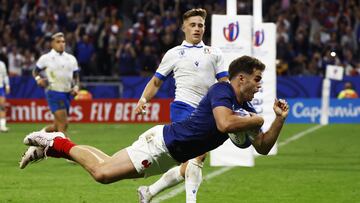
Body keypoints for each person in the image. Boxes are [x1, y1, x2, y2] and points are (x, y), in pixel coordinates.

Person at [19, 56, 289, 202]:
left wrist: (278, 119)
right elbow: (224, 123)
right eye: (256, 79)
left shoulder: (247, 110)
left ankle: (54, 147)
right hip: (162, 144)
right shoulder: (222, 91)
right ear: (240, 78)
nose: (259, 85)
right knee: (102, 174)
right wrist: (257, 121)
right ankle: (56, 142)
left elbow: (263, 147)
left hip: (168, 154)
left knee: (106, 164)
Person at [134, 8, 229, 203]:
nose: (197, 29)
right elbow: (156, 81)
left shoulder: (215, 53)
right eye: (192, 25)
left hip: (207, 112)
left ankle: (149, 191)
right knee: (198, 156)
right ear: (183, 27)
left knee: (190, 163)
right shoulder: (174, 53)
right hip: (183, 108)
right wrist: (143, 100)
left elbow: (224, 84)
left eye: (200, 25)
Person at [33, 32, 80, 135]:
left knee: (56, 125)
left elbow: (76, 75)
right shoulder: (46, 58)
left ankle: (38, 136)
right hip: (54, 92)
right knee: (63, 124)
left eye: (63, 42)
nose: (61, 44)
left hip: (67, 93)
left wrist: (76, 86)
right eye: (58, 42)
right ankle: (66, 149)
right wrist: (38, 79)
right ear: (52, 44)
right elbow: (35, 71)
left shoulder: (71, 58)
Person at [0, 59, 10, 132]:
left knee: (2, 106)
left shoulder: (1, 64)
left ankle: (2, 126)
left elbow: (5, 76)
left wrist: (7, 86)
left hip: (0, 87)